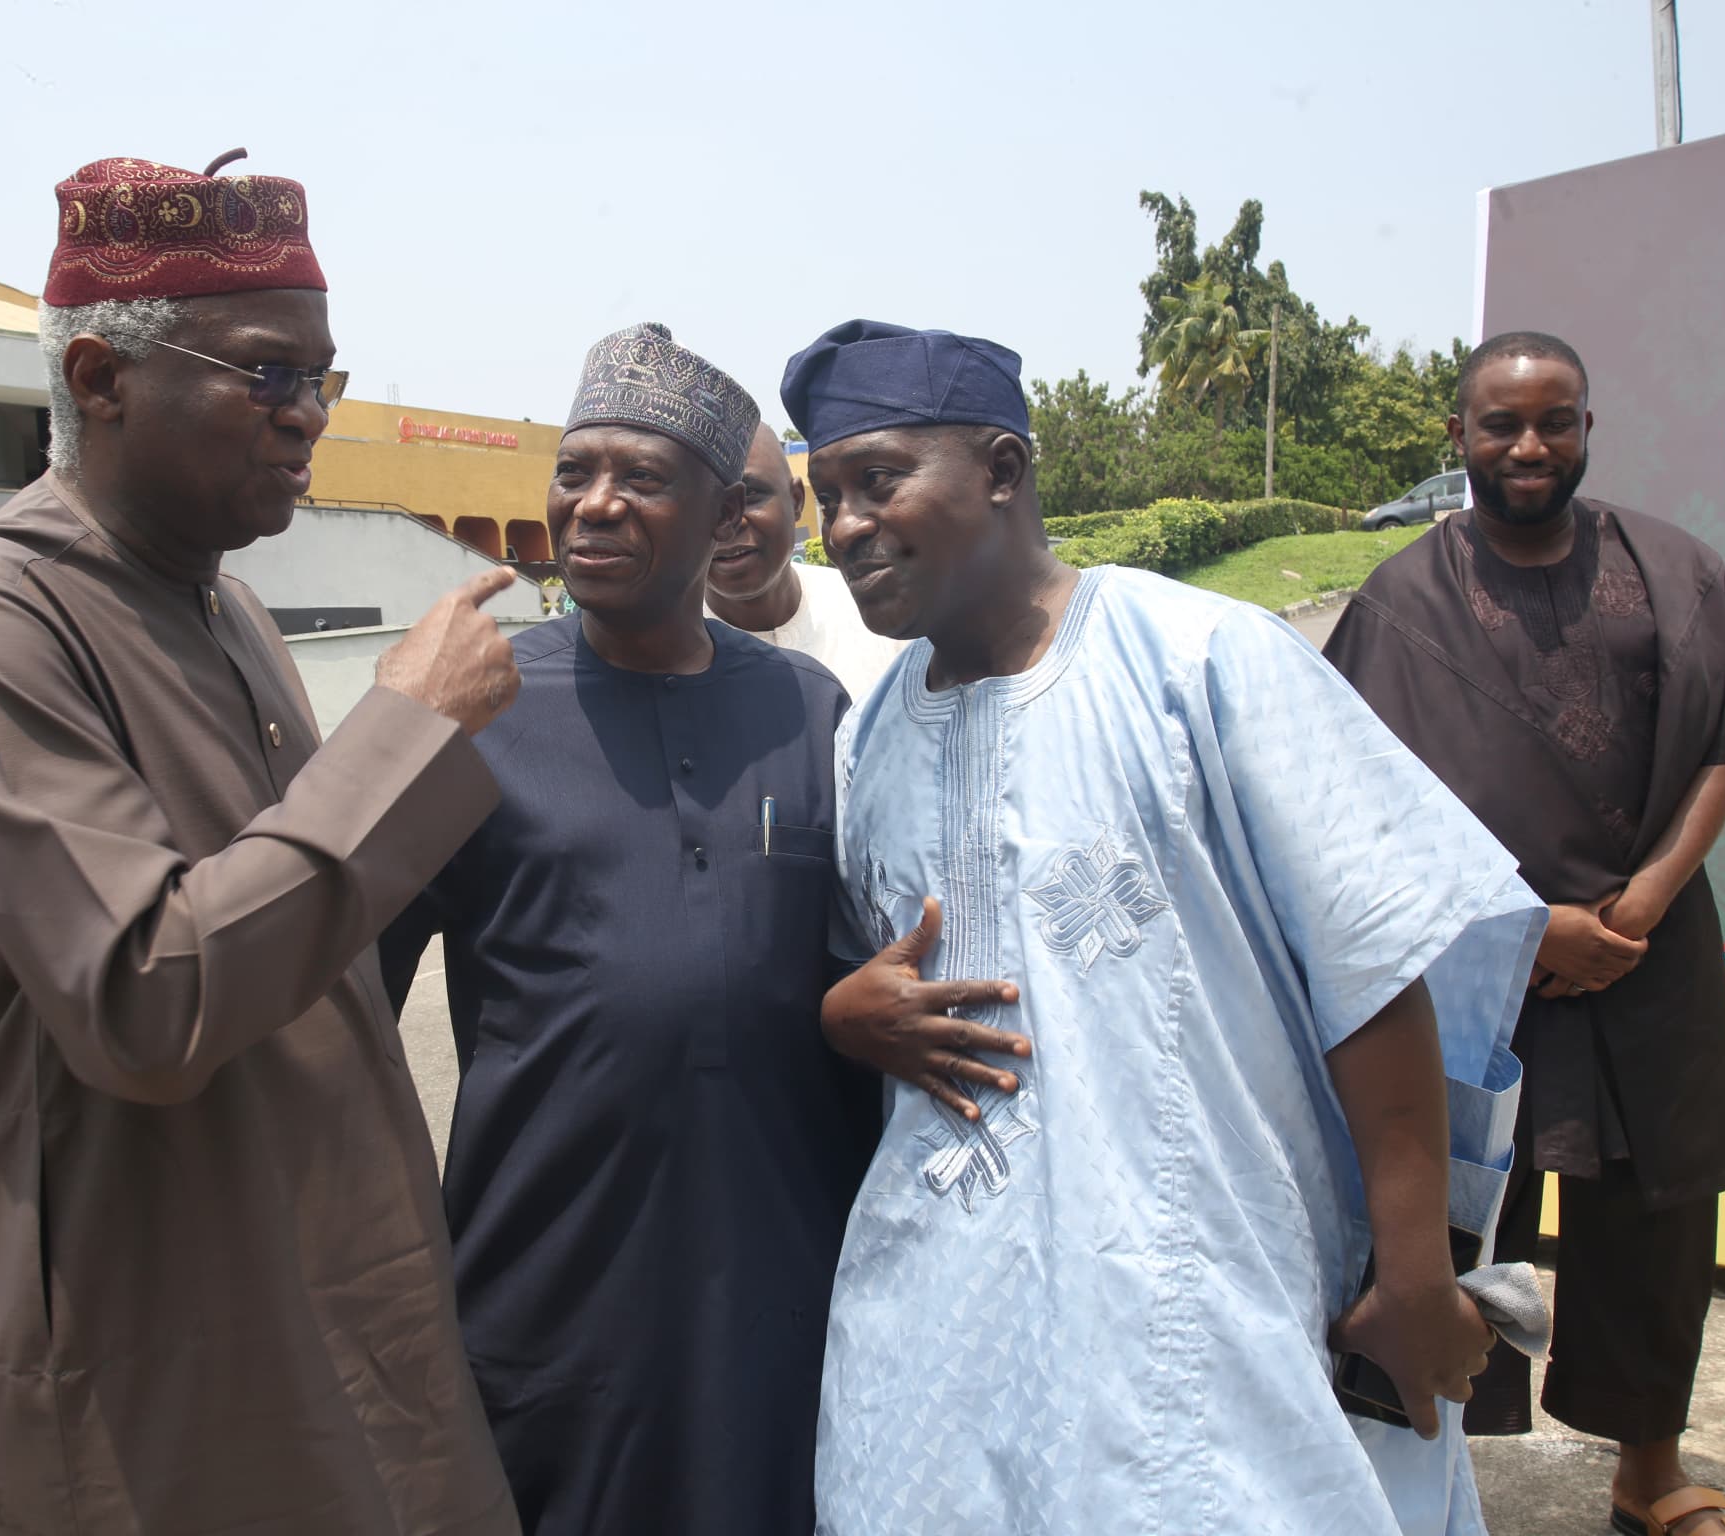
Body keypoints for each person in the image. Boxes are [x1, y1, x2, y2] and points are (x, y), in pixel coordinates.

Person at [783, 321, 1547, 1536]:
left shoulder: (1196, 659)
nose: (848, 524)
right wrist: (843, 1016)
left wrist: (1413, 1272)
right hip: (943, 1319)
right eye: (827, 494)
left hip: (1194, 1298)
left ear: (1002, 469)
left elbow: (1380, 954)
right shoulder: (867, 740)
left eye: (880, 480)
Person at [0, 152, 522, 1536]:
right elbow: (148, 995)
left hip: (313, 1279)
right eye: (265, 378)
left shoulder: (226, 612)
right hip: (140, 1323)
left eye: (322, 382)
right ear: (102, 378)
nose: (305, 423)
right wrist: (404, 727)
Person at [379, 323, 882, 1536]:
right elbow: (341, 997)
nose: (593, 505)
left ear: (725, 521)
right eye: (573, 471)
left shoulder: (805, 710)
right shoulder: (476, 704)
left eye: (642, 479)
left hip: (783, 1290)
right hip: (549, 1303)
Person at [1323, 332, 1725, 1536]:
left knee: (1655, 1220)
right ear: (1460, 439)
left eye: (1557, 421)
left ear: (1588, 427)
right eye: (1502, 424)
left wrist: (1644, 898)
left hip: (1650, 958)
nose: (1530, 446)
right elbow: (1354, 799)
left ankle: (1651, 1473)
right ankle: (1421, 1486)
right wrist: (1524, 926)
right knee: (1449, 1216)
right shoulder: (1400, 604)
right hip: (1475, 972)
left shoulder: (1675, 571)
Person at [706, 421, 905, 697]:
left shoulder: (874, 610)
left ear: (796, 500)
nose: (728, 523)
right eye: (704, 503)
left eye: (749, 495)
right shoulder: (658, 651)